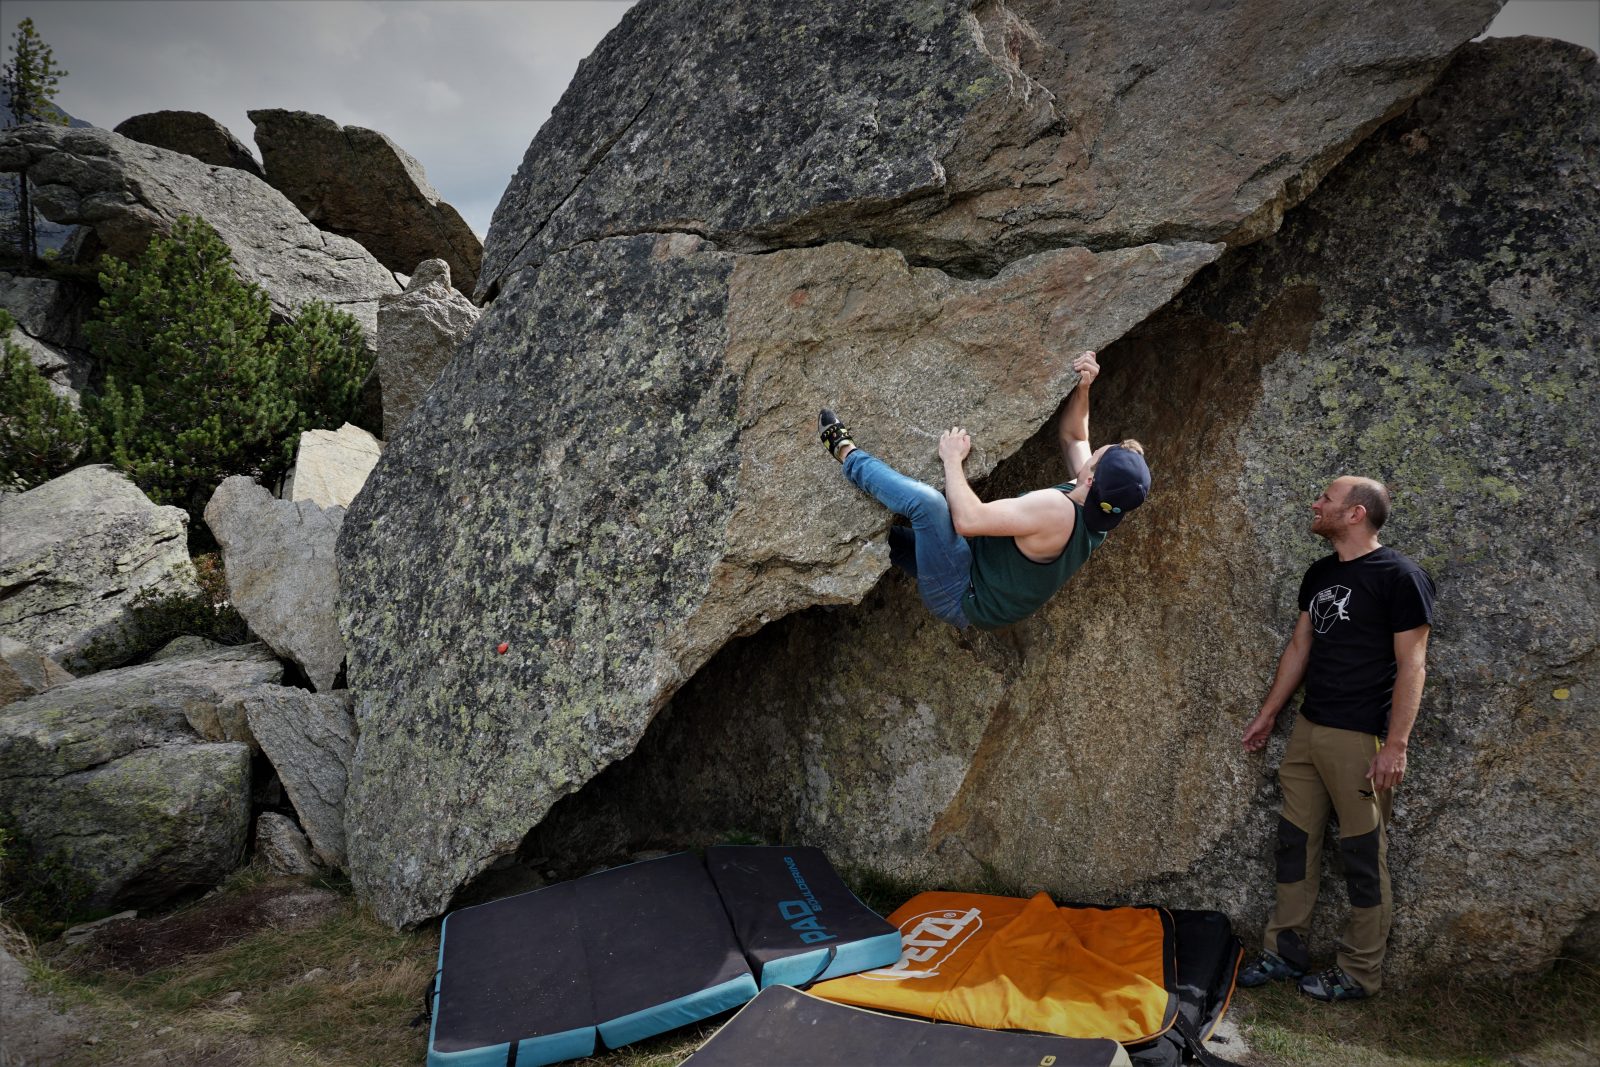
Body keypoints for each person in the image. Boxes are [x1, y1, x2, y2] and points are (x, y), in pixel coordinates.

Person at [1238, 477, 1435, 1001]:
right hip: (1308, 729)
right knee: (1294, 844)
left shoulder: (1401, 576)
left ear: (1356, 514)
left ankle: (1358, 972)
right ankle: (1283, 952)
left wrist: (1396, 745)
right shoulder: (1321, 573)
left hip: (1362, 738)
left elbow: (1412, 663)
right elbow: (1300, 648)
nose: (1315, 503)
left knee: (1362, 853)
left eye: (1326, 498)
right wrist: (1269, 713)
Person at [817, 350, 1150, 631]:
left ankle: (846, 454)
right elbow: (1075, 437)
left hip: (962, 594)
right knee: (889, 541)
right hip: (977, 571)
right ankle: (829, 585)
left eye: (1099, 455)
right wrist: (1084, 387)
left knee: (928, 505)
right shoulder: (1099, 506)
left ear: (1091, 479)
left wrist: (952, 460)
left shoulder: (1057, 512)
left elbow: (968, 520)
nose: (1094, 450)